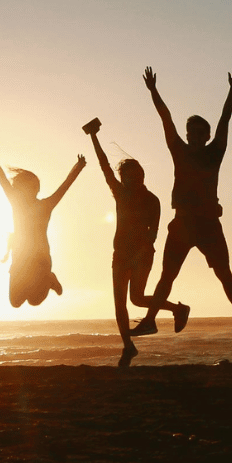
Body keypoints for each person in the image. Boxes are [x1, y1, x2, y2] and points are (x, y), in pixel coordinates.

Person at [141, 66, 232, 335]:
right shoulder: (179, 151)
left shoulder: (215, 152)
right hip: (182, 223)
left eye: (199, 133)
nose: (194, 137)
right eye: (191, 133)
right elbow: (166, 119)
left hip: (208, 224)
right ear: (187, 136)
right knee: (167, 276)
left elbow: (225, 120)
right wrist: (153, 91)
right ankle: (150, 321)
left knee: (224, 274)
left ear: (206, 136)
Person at [83, 118, 190, 367]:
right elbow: (104, 166)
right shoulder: (119, 193)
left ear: (143, 175)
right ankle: (128, 347)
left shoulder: (153, 200)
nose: (133, 179)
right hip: (119, 254)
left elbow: (153, 234)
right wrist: (93, 137)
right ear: (124, 179)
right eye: (128, 176)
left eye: (137, 175)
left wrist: (140, 253)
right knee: (122, 302)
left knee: (138, 298)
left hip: (142, 254)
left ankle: (177, 309)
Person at [0, 143, 84, 308]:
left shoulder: (45, 205)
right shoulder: (16, 202)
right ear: (20, 188)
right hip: (20, 258)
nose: (28, 190)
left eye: (32, 187)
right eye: (24, 187)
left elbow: (64, 187)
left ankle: (49, 278)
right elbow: (2, 179)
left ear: (37, 189)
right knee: (16, 302)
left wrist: (78, 168)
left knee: (35, 301)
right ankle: (46, 280)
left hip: (40, 260)